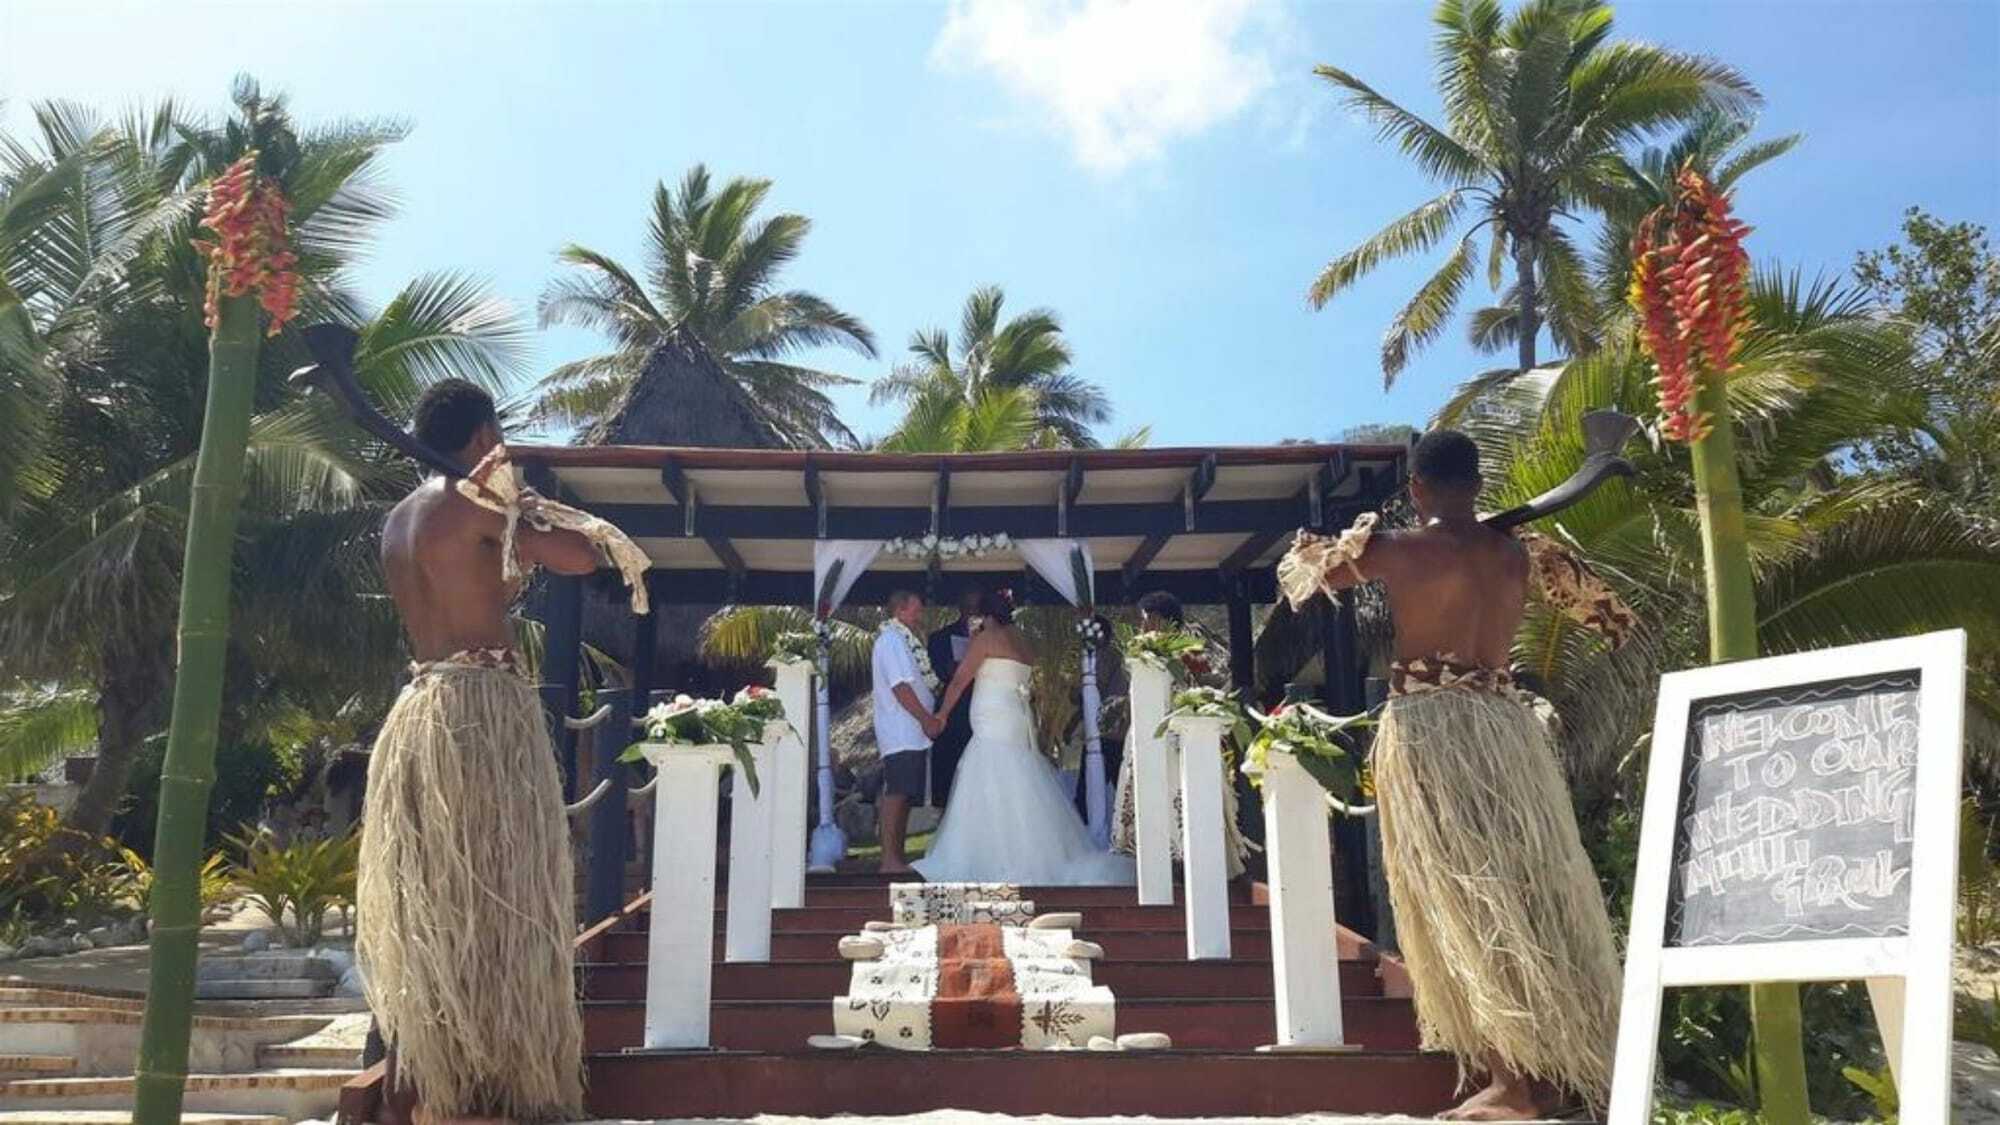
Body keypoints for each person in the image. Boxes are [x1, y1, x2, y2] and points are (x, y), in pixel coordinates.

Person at [1276, 429, 1635, 1121]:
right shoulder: (1518, 554)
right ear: (1477, 486)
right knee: (1534, 892)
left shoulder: (1401, 550)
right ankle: (1562, 1065)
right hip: (1506, 731)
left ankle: (1514, 1083)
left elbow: (1304, 580)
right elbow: (1606, 615)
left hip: (1436, 734)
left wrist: (1336, 541)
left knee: (1468, 898)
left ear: (1416, 489)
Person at [360, 379, 648, 1123]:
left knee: (443, 895)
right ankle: (505, 1075)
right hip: (483, 713)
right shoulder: (481, 506)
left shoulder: (398, 521)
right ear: (486, 435)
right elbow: (583, 558)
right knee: (502, 891)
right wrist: (519, 500)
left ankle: (440, 1063)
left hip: (419, 711)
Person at [915, 589, 1135, 886]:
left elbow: (958, 681)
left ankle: (989, 853)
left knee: (989, 771)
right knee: (1016, 772)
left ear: (985, 615)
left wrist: (941, 715)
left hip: (993, 714)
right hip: (1016, 715)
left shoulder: (986, 639)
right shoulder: (1021, 639)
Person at [1107, 591, 1251, 879]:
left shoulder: (1190, 650)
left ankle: (1191, 860)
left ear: (1161, 620)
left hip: (1178, 735)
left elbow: (1208, 676)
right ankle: (1153, 860)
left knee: (1180, 793)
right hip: (1145, 734)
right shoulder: (1141, 653)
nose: (1143, 627)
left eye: (1147, 619)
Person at [873, 590, 942, 874]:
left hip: (911, 733)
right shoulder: (891, 640)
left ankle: (897, 858)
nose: (920, 615)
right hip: (900, 729)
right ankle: (889, 860)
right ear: (900, 610)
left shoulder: (903, 640)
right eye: (916, 609)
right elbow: (900, 687)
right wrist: (926, 719)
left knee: (905, 795)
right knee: (896, 793)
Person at [925, 589, 981, 806]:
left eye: (977, 608)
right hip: (955, 708)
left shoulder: (994, 636)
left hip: (983, 705)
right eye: (969, 607)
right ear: (960, 608)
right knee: (950, 765)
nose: (973, 612)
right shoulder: (941, 637)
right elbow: (941, 672)